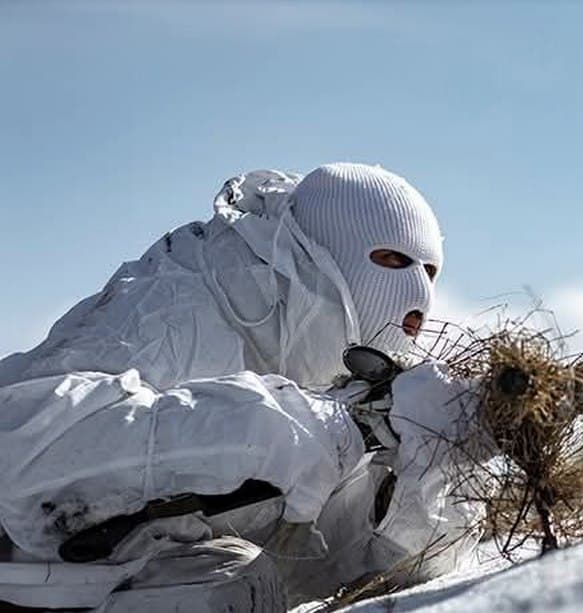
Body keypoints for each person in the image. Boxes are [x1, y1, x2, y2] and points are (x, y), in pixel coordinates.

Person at [0, 163, 490, 611]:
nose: (419, 294)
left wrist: (423, 469)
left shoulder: (318, 364)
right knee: (225, 585)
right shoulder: (174, 308)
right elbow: (25, 450)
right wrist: (320, 428)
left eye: (430, 273)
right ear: (327, 251)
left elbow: (347, 568)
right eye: (392, 259)